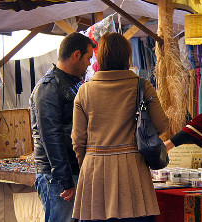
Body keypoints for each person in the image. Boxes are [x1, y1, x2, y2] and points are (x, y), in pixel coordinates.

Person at [71, 32, 169, 222]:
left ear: (101, 57)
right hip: (133, 170)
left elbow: (77, 140)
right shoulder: (142, 86)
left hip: (94, 171)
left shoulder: (84, 91)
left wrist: (88, 164)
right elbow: (162, 124)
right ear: (127, 56)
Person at [30, 32, 95, 222]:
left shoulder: (74, 84)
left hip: (72, 172)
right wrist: (64, 179)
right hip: (57, 177)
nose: (89, 64)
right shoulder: (48, 87)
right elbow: (51, 136)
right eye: (88, 58)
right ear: (76, 55)